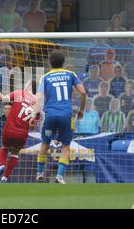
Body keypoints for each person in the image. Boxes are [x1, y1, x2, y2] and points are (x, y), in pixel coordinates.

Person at [30, 51, 86, 184]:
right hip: (66, 116)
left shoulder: (45, 77)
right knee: (66, 146)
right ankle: (59, 177)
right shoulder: (71, 74)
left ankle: (39, 173)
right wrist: (81, 110)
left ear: (50, 62)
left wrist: (34, 115)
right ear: (63, 62)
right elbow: (83, 92)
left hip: (50, 116)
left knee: (45, 143)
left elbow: (38, 97)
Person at [0, 81, 37, 183]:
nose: (25, 84)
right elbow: (33, 126)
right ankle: (5, 178)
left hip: (9, 130)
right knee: (15, 153)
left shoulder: (19, 93)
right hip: (22, 134)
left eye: (27, 83)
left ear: (29, 86)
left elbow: (2, 98)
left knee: (4, 147)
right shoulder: (37, 103)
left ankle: (2, 166)